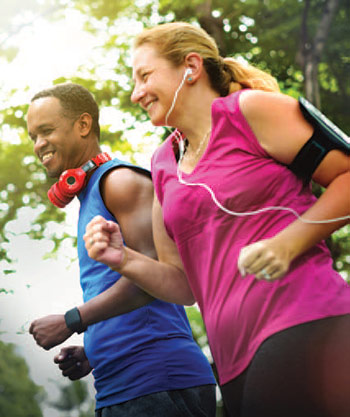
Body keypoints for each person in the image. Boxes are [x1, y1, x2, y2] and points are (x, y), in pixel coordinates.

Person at [85, 22, 350, 417]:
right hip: (232, 362)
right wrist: (123, 259)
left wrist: (285, 243)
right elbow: (183, 284)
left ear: (190, 67)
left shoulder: (250, 110)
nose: (135, 92)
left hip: (303, 319)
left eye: (145, 76)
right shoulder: (163, 164)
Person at [27, 82, 217, 417]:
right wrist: (93, 351)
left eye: (46, 131)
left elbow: (157, 278)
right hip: (122, 386)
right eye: (33, 137)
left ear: (83, 125)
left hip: (157, 381)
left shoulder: (119, 182)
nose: (39, 144)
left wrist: (73, 320)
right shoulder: (92, 194)